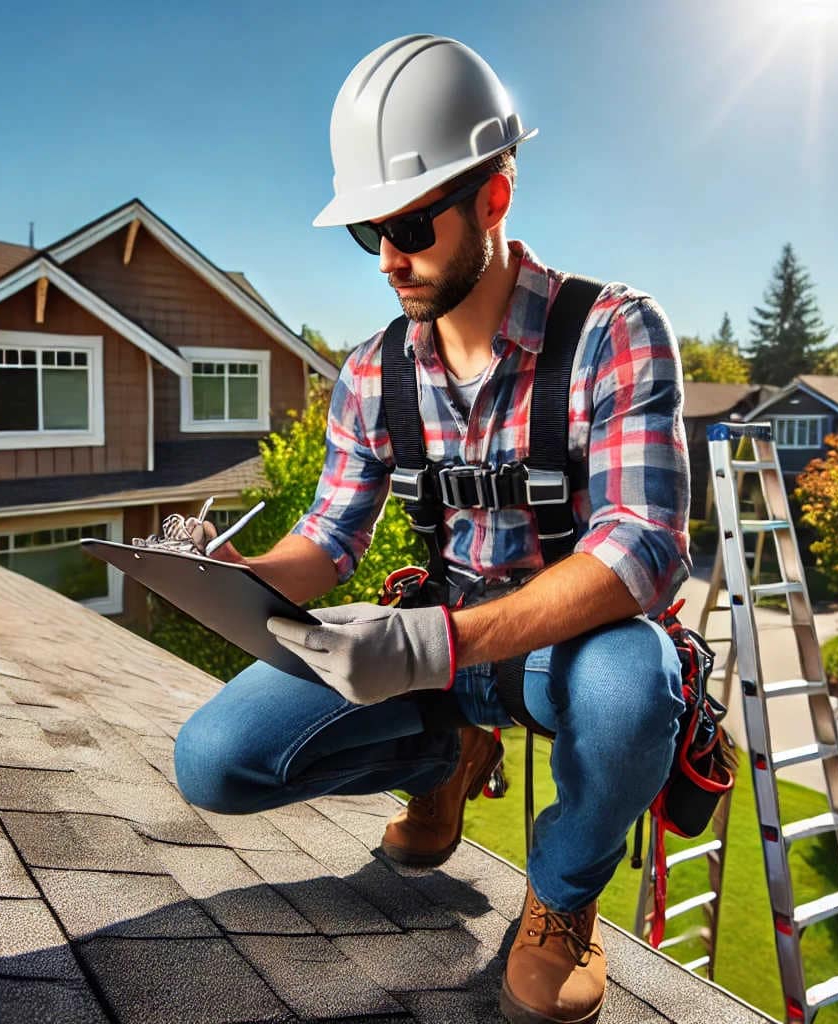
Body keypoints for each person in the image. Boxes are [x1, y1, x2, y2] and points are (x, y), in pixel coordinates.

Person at [173, 34, 690, 1024]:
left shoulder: (612, 331)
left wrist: (438, 642)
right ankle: (441, 761)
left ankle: (561, 899)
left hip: (568, 651)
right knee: (217, 760)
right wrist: (233, 568)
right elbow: (329, 539)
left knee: (636, 685)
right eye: (369, 234)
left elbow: (644, 545)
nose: (391, 259)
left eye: (410, 222)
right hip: (438, 647)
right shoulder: (370, 375)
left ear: (494, 197)